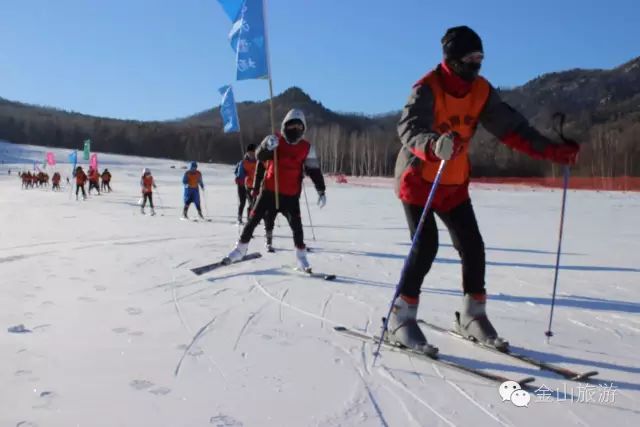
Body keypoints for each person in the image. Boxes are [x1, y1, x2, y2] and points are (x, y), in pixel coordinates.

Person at [388, 26, 580, 354]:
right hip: (419, 179)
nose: (476, 65)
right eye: (470, 59)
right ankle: (401, 318)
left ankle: (472, 315)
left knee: (473, 247)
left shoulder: (481, 91)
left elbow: (514, 130)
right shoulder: (427, 88)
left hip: (454, 181)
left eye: (480, 59)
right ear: (452, 59)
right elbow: (409, 128)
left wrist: (552, 152)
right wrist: (433, 145)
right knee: (426, 246)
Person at [225, 109, 326, 270]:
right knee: (253, 219)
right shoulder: (275, 139)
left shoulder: (307, 148)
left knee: (297, 228)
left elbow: (313, 170)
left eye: (299, 128)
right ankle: (240, 249)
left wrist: (321, 190)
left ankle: (301, 258)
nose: (295, 130)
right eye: (291, 126)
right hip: (269, 191)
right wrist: (266, 147)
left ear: (303, 129)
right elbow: (259, 157)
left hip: (291, 195)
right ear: (285, 126)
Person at [234, 144, 258, 225]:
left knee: (253, 204)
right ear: (247, 153)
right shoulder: (243, 163)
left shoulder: (259, 162)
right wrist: (239, 178)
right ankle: (240, 217)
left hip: (253, 186)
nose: (252, 155)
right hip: (243, 185)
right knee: (242, 202)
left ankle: (250, 220)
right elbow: (240, 174)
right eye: (250, 153)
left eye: (253, 153)